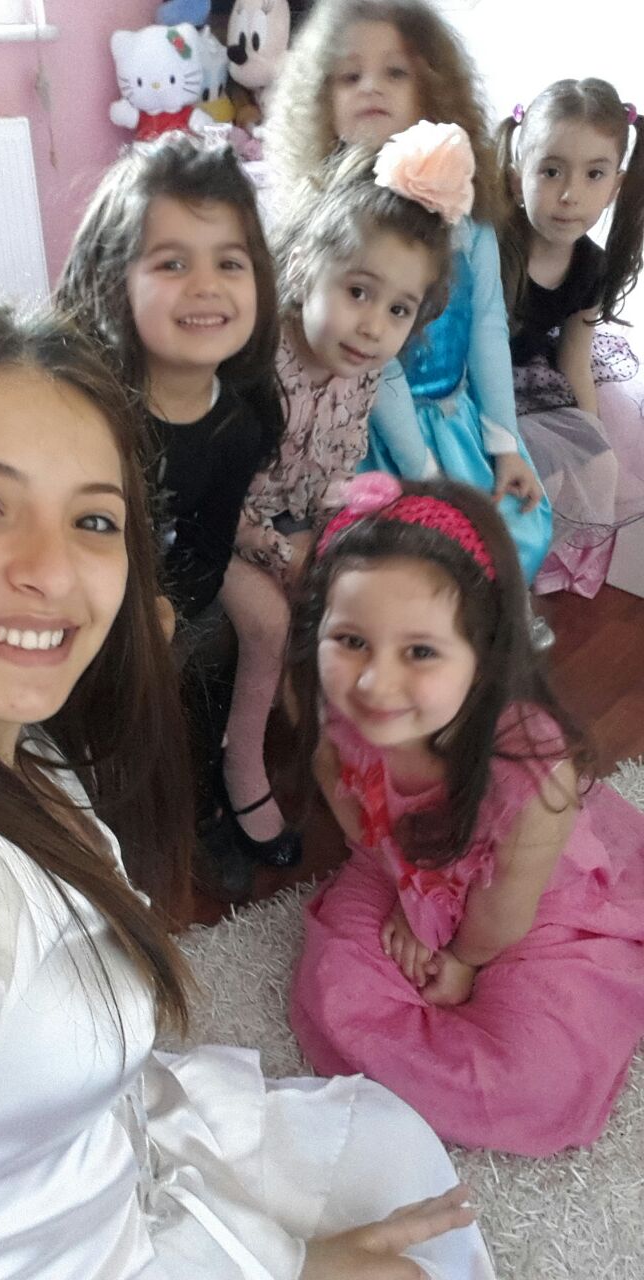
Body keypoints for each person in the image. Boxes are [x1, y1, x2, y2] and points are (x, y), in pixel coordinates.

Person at [0, 299, 496, 1280]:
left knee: (393, 1152)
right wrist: (291, 1268)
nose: (53, 571)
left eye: (93, 520)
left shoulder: (25, 746)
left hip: (113, 1148)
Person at [286, 471, 644, 1157]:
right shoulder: (339, 721)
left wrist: (459, 958)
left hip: (524, 911)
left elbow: (506, 909)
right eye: (351, 641)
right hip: (398, 870)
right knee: (333, 992)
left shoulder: (531, 771)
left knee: (536, 1075)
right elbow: (365, 831)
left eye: (420, 652)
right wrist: (410, 904)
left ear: (483, 657)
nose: (375, 683)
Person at [56, 133, 293, 881]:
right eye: (172, 262)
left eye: (230, 262)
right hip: (76, 581)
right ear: (114, 280)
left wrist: (165, 610)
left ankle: (208, 785)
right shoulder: (87, 409)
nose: (206, 286)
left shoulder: (242, 419)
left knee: (202, 650)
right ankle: (86, 819)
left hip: (170, 578)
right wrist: (126, 614)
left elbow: (206, 540)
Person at [221, 123, 459, 864]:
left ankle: (348, 751)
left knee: (363, 591)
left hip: (287, 514)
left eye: (399, 310)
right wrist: (279, 549)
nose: (374, 327)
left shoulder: (361, 369)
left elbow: (332, 467)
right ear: (303, 267)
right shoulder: (257, 361)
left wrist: (335, 534)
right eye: (359, 292)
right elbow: (214, 490)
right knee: (269, 620)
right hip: (214, 524)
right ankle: (241, 765)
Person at [265, 0, 553, 609]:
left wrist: (504, 442)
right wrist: (424, 474)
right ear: (321, 99)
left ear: (433, 86)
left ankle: (481, 639)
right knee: (416, 548)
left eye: (394, 72)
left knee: (515, 525)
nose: (371, 87)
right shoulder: (331, 228)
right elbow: (375, 364)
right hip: (367, 433)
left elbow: (487, 325)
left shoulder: (468, 221)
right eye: (350, 75)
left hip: (453, 417)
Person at [497, 78, 644, 597]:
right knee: (524, 472)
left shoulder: (591, 267)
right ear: (518, 175)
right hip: (479, 382)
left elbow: (575, 358)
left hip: (538, 379)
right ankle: (490, 582)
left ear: (616, 185)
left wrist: (592, 433)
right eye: (551, 170)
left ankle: (521, 585)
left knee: (588, 463)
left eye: (594, 174)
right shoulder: (496, 247)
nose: (569, 194)